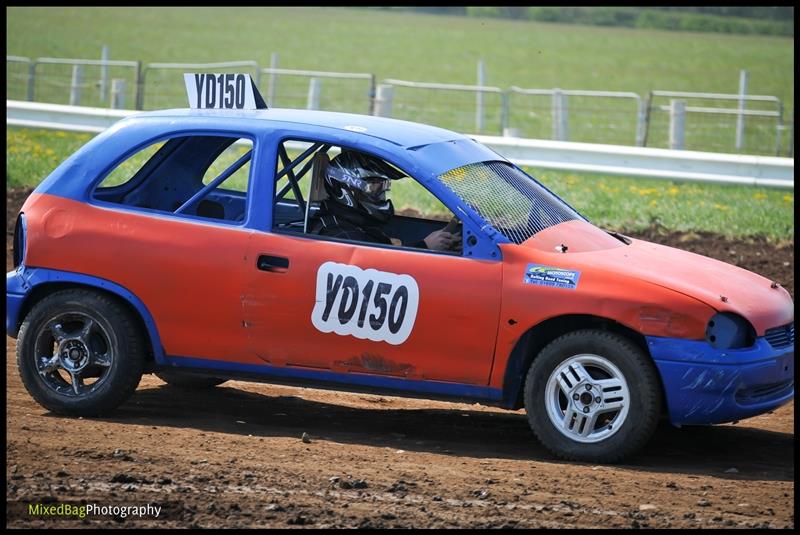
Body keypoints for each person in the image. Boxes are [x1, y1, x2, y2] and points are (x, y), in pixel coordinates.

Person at [311, 150, 461, 251]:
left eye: (384, 186)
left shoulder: (357, 223)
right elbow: (378, 273)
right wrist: (425, 246)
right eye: (374, 187)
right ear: (346, 187)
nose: (381, 193)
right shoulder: (340, 236)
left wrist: (443, 242)